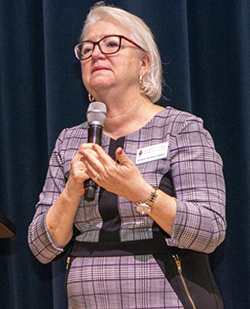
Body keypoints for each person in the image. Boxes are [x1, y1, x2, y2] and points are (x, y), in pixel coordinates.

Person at [28, 2, 226, 308]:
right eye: (88, 48)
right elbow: (42, 247)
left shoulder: (181, 129)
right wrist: (71, 191)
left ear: (144, 63)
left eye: (111, 44)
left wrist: (140, 193)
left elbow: (210, 232)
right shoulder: (70, 140)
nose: (96, 53)